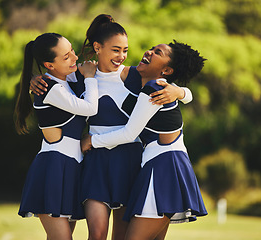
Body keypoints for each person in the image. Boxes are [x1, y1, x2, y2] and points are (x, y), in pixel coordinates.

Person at [30, 14, 193, 240]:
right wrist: (36, 79)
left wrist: (181, 92)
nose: (122, 56)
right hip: (95, 161)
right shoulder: (81, 76)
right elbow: (56, 81)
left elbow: (169, 82)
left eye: (125, 50)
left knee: (121, 236)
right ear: (98, 47)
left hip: (130, 160)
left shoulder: (136, 75)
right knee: (97, 234)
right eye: (116, 50)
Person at [81, 40, 208, 240]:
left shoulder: (154, 88)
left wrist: (92, 140)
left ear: (166, 70)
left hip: (164, 168)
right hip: (162, 166)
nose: (149, 52)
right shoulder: (156, 86)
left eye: (158, 52)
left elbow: (129, 133)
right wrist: (181, 92)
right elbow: (186, 96)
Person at [14, 32, 98, 240]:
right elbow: (90, 108)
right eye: (66, 56)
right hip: (53, 168)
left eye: (71, 51)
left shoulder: (66, 81)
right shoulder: (49, 88)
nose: (74, 58)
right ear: (49, 65)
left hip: (72, 167)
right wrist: (89, 78)